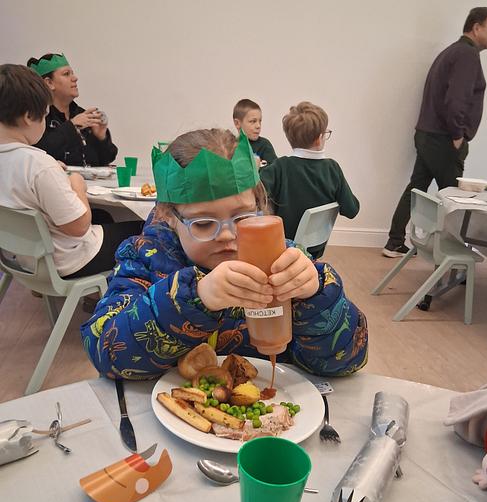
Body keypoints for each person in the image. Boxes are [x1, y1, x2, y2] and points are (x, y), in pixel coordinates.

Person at [81, 128, 368, 380]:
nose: (228, 235)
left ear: (259, 205)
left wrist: (317, 296)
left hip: (272, 411)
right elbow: (105, 352)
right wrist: (195, 298)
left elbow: (347, 361)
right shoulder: (144, 259)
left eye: (242, 217)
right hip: (171, 413)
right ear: (168, 216)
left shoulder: (286, 260)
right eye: (204, 223)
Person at [0, 64, 141, 279]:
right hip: (67, 262)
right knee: (145, 230)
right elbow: (79, 227)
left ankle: (101, 288)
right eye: (44, 116)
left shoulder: (25, 160)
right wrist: (77, 185)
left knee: (103, 216)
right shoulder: (39, 164)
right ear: (29, 116)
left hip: (23, 258)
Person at [383, 6, 487, 257]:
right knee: (455, 201)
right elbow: (456, 99)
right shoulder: (466, 55)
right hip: (444, 139)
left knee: (417, 188)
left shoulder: (452, 52)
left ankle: (394, 242)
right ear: (476, 27)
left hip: (428, 135)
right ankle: (451, 257)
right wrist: (457, 135)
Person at [260, 101, 359, 257]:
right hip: (315, 249)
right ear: (319, 139)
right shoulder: (332, 169)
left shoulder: (280, 166)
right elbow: (352, 210)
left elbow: (255, 194)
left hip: (282, 248)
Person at [27, 52, 118, 167]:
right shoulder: (37, 117)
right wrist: (72, 126)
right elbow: (37, 153)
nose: (75, 78)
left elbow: (107, 158)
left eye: (72, 73)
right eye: (66, 74)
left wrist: (101, 137)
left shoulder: (82, 115)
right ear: (49, 83)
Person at [233, 98, 277, 166]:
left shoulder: (264, 145)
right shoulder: (231, 147)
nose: (258, 126)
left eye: (260, 121)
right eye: (253, 121)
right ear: (237, 123)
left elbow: (275, 170)